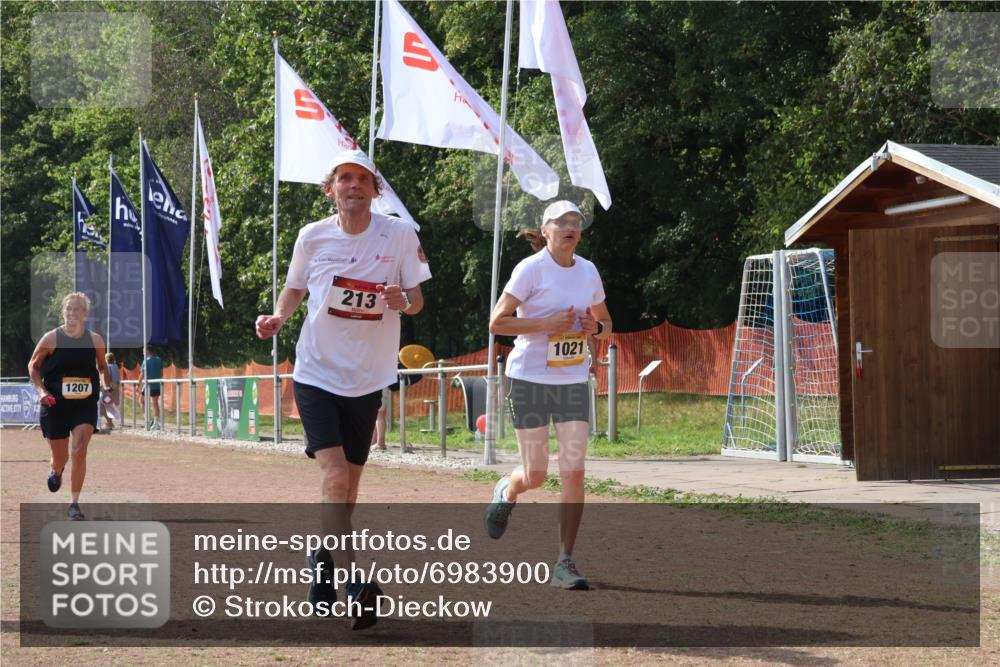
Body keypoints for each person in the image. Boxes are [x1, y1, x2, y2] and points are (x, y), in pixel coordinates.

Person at [255, 150, 431, 629]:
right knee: (335, 479)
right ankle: (356, 582)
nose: (353, 185)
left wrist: (403, 301)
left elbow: (417, 299)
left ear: (375, 190)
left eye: (363, 179)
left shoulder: (398, 234)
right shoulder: (312, 236)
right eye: (344, 178)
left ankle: (322, 557)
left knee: (348, 488)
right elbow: (294, 288)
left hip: (368, 378)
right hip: (316, 374)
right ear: (330, 188)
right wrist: (278, 317)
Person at [483, 200, 613, 590]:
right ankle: (509, 488)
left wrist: (595, 327)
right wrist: (545, 324)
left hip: (572, 379)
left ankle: (564, 561)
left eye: (576, 222)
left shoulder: (588, 271)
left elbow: (607, 323)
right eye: (561, 222)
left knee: (574, 471)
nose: (570, 227)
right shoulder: (530, 269)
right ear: (546, 230)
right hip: (530, 379)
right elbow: (496, 322)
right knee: (537, 474)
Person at [27, 292, 114, 521]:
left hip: (84, 405)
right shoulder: (50, 339)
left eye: (77, 309)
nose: (72, 313)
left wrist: (107, 388)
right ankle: (56, 469)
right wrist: (41, 391)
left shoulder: (95, 340)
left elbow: (103, 366)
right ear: (63, 312)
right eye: (68, 309)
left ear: (85, 314)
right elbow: (33, 366)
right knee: (60, 458)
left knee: (79, 449)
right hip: (55, 404)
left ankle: (74, 503)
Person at [138, 347, 162, 429]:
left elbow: (142, 373)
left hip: (148, 385)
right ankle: (156, 423)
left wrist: (138, 383)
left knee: (141, 401)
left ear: (148, 351)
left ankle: (148, 420)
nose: (143, 352)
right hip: (157, 384)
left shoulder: (145, 361)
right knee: (155, 403)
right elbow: (161, 373)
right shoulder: (159, 360)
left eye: (144, 350)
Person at [100, 352, 121, 432]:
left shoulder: (108, 367)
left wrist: (109, 391)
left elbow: (112, 381)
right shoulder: (115, 366)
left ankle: (110, 422)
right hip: (111, 391)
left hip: (109, 392)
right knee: (105, 405)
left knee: (102, 405)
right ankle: (109, 422)